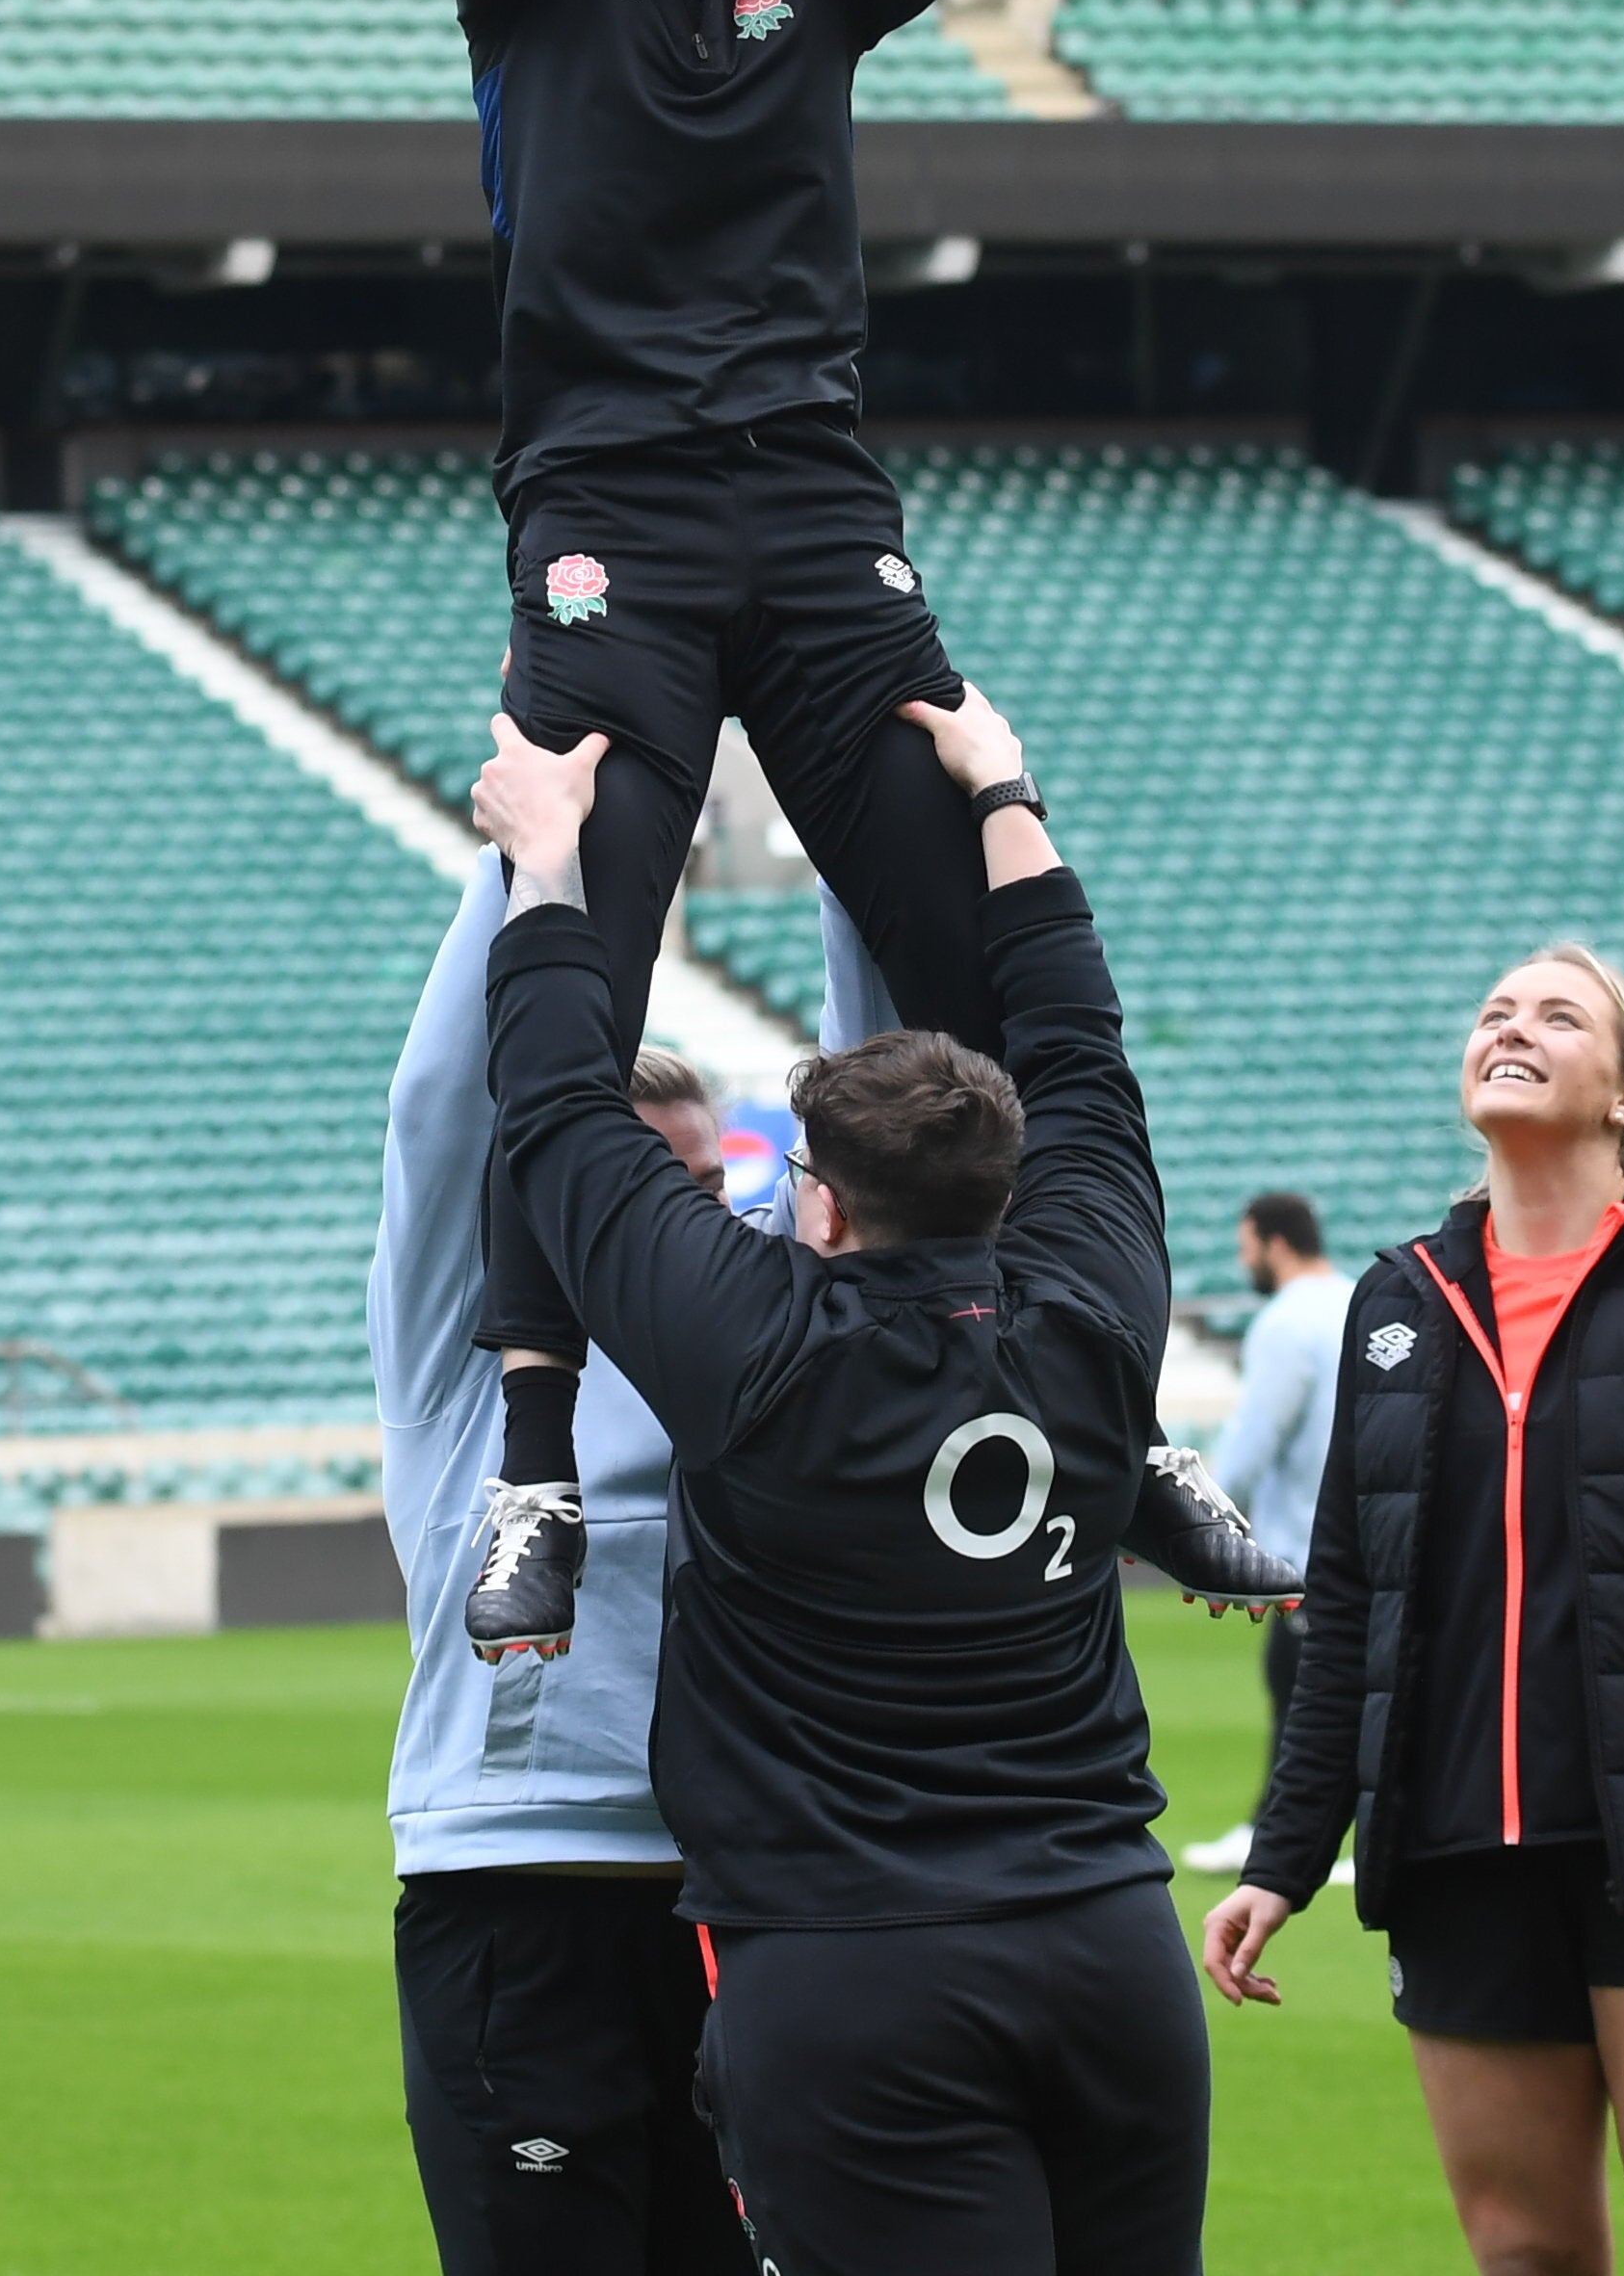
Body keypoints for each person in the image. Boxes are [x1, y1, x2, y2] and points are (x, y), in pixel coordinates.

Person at [438, 0, 1280, 1652]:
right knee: (578, 986)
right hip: (608, 517)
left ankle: (1108, 1422)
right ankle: (534, 1478)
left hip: (819, 525)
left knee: (981, 970)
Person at [472, 680, 1209, 2276]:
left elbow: (548, 1103)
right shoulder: (1097, 1316)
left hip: (853, 1970)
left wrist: (545, 864)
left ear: (818, 1207)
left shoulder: (756, 1349)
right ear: (1006, 1188)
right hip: (1108, 1944)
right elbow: (1080, 1044)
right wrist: (1002, 792)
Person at [1198, 949, 1624, 2276]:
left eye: (1561, 1014)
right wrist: (1282, 1855)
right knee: (1522, 2253)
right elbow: (1355, 1606)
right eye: (1496, 1010)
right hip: (1453, 1856)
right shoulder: (1398, 1304)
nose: (1514, 1025)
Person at [376, 857, 759, 2276]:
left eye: (712, 1188)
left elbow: (903, 1100)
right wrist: (532, 858)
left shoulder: (758, 1350)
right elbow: (438, 1113)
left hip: (751, 1891)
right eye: (654, 1184)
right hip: (520, 1887)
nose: (691, 1221)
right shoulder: (459, 1368)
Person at [1180, 1191, 1351, 1877]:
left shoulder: (1285, 1323)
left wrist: (1198, 1517)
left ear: (1274, 1243)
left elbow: (1256, 1437)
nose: (1243, 1260)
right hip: (1365, 1535)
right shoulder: (1357, 1299)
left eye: (1246, 1246)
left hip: (1306, 1545)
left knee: (1299, 1690)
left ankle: (1273, 1836)